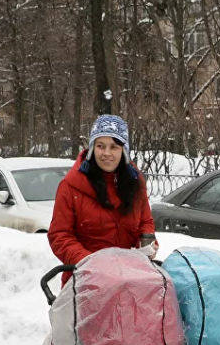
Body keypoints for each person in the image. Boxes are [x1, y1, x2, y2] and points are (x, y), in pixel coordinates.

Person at [47, 114, 156, 268]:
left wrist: (147, 241)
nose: (106, 153)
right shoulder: (70, 186)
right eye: (100, 146)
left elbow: (145, 221)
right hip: (86, 279)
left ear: (123, 151)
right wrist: (90, 263)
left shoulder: (135, 183)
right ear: (92, 149)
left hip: (129, 276)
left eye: (114, 147)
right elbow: (60, 236)